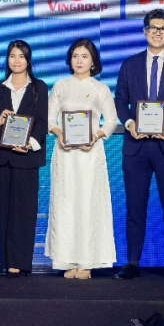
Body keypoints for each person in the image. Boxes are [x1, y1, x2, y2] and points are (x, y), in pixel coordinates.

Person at [112, 9, 164, 281]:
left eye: (162, 29)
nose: (157, 32)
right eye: (152, 28)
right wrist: (129, 123)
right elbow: (120, 100)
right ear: (145, 31)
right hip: (136, 146)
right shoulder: (129, 64)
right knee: (135, 207)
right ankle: (132, 261)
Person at [45, 38, 119, 279]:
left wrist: (95, 136)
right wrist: (59, 133)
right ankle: (66, 260)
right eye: (75, 56)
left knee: (88, 203)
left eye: (85, 56)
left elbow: (111, 121)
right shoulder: (60, 86)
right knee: (65, 204)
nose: (79, 60)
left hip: (90, 153)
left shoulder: (101, 88)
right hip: (64, 153)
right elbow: (49, 119)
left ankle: (87, 261)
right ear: (70, 59)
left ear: (93, 61)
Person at [0, 40, 49, 277]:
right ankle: (6, 263)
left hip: (27, 157)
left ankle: (21, 262)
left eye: (21, 56)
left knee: (24, 211)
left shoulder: (39, 88)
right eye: (12, 56)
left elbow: (42, 121)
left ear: (28, 60)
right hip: (2, 158)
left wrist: (29, 144)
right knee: (4, 210)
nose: (16, 60)